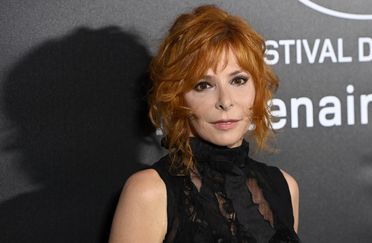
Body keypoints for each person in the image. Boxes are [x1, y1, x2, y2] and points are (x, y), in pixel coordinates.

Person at [109, 5, 300, 243]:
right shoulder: (150, 191)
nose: (225, 101)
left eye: (238, 80)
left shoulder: (283, 186)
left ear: (257, 89)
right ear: (178, 96)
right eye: (203, 85)